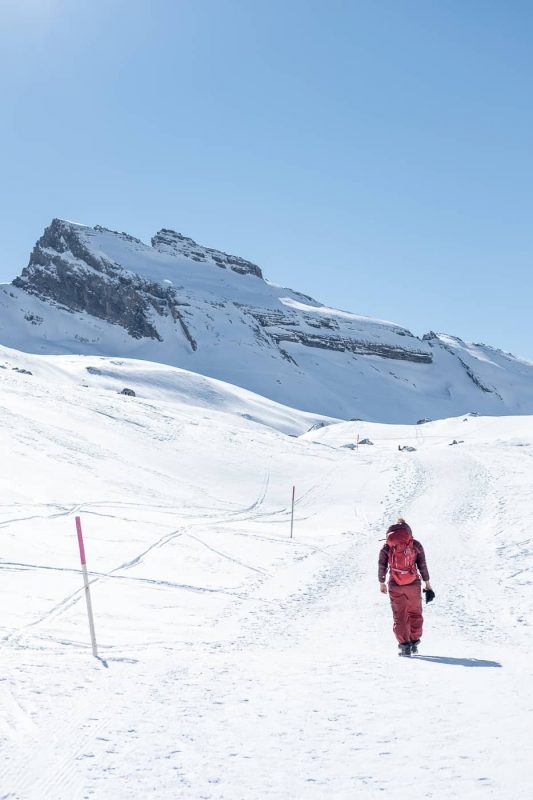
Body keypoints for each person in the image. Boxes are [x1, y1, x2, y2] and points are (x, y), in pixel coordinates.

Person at [378, 517, 434, 656]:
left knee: (400, 615)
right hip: (413, 584)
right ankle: (414, 641)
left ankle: (404, 646)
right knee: (415, 612)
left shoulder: (387, 547)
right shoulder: (415, 545)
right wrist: (427, 584)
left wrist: (382, 582)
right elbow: (422, 565)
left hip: (395, 584)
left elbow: (382, 565)